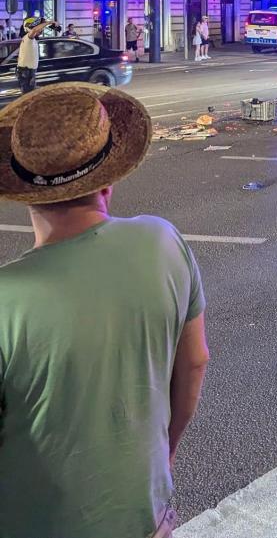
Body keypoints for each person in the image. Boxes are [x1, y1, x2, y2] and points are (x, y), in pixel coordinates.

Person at [0, 83, 209, 538]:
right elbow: (194, 361)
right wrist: (163, 452)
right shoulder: (163, 240)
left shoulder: (6, 299)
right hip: (146, 514)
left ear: (23, 194)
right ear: (107, 182)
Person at [15, 17, 55, 94]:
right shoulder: (28, 38)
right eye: (38, 27)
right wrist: (49, 22)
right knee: (29, 97)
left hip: (28, 72)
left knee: (30, 96)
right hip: (26, 73)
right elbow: (34, 30)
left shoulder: (31, 40)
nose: (41, 30)